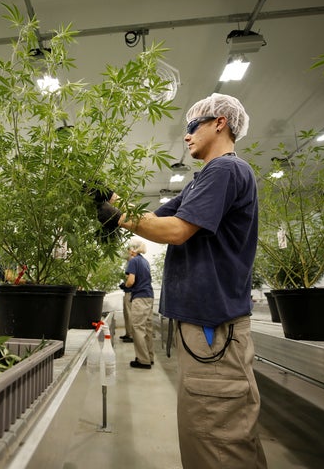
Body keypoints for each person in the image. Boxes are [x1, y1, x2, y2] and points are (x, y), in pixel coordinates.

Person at [96, 93, 268, 468]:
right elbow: (153, 218)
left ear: (220, 122)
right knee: (220, 433)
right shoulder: (202, 180)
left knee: (215, 439)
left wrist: (117, 214)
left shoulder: (225, 170)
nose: (186, 136)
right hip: (206, 326)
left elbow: (174, 231)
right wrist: (111, 200)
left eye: (193, 127)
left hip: (213, 330)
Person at [123, 238, 154, 368]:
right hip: (149, 296)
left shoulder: (134, 261)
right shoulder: (145, 261)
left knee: (138, 328)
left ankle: (143, 360)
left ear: (132, 250)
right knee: (147, 328)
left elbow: (130, 281)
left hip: (140, 297)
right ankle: (149, 356)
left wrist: (125, 285)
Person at [118, 248, 134, 343]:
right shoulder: (128, 263)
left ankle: (131, 335)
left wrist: (125, 285)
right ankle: (128, 333)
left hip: (130, 292)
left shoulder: (132, 262)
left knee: (129, 313)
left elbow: (132, 280)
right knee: (126, 313)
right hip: (127, 291)